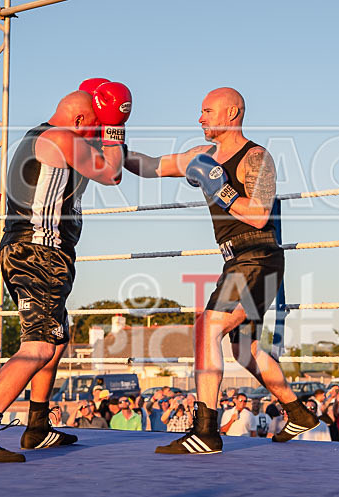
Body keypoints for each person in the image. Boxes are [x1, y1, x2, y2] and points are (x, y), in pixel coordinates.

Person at [126, 88, 318, 454]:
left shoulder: (257, 156)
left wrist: (221, 188)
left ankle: (206, 431)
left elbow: (260, 213)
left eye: (207, 111)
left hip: (259, 254)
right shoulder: (201, 155)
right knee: (244, 350)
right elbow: (150, 166)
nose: (200, 118)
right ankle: (298, 412)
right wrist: (112, 142)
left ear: (232, 114)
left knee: (206, 328)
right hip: (236, 258)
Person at [0, 85, 128, 463]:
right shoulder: (62, 137)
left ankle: (37, 426)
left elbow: (127, 163)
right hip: (38, 253)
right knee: (39, 346)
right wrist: (115, 126)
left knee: (58, 337)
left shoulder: (46, 135)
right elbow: (112, 174)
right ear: (80, 120)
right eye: (94, 126)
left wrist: (180, 161)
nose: (97, 134)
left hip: (35, 252)